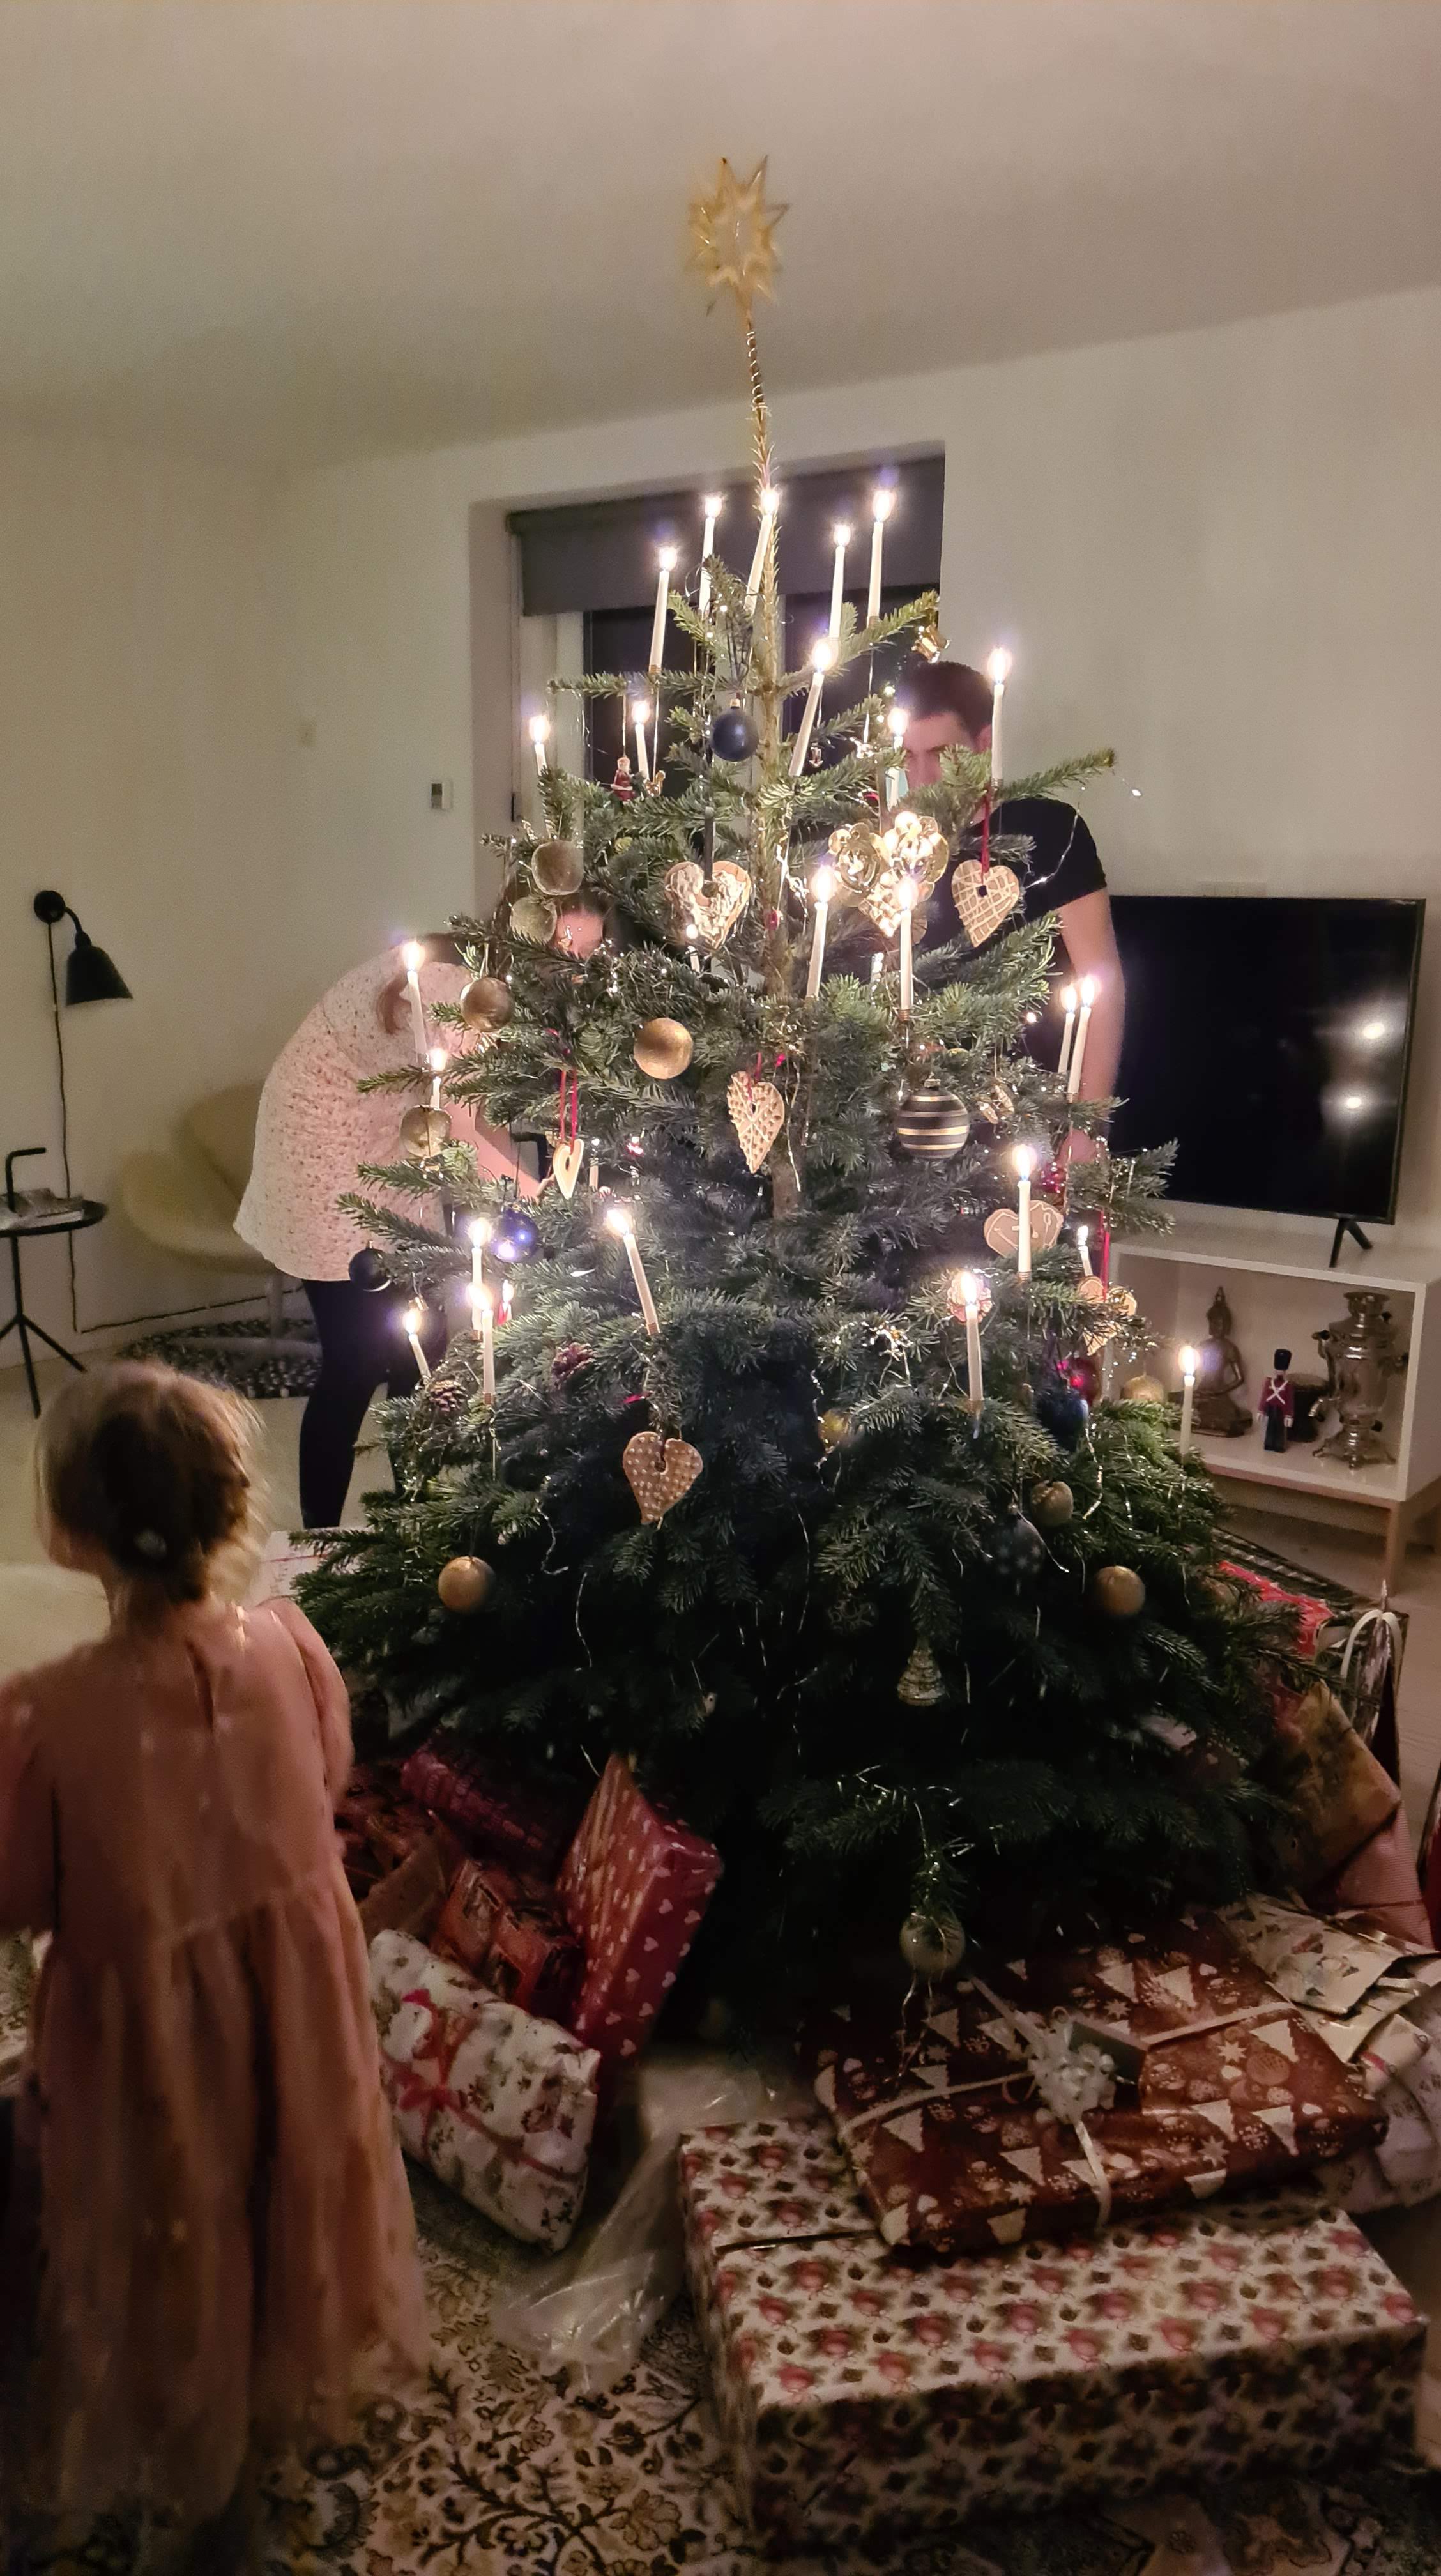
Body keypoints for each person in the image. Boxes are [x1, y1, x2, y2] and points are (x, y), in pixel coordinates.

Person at [0, 1363, 427, 2561]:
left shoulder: (45, 1717)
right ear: (234, 1506)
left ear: (70, 1531)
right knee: (281, 2204)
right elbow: (325, 1782)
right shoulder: (293, 1647)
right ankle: (252, 2434)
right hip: (297, 2023)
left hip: (152, 2055)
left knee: (168, 2235)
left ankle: (204, 2489)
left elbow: (15, 1888)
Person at [237, 932, 540, 1527]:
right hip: (323, 1164)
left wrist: (526, 1189)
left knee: (419, 1352)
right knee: (354, 1363)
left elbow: (477, 1118)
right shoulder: (459, 990)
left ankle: (415, 1517)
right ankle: (321, 1538)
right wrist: (535, 1197)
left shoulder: (481, 991)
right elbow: (460, 1129)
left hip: (385, 1151)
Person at [900, 660, 1125, 1151]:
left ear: (983, 744)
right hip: (919, 1132)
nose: (921, 777)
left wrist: (1087, 1129)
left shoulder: (1049, 832)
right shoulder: (899, 849)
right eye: (908, 757)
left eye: (939, 754)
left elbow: (1103, 988)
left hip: (1033, 1124)